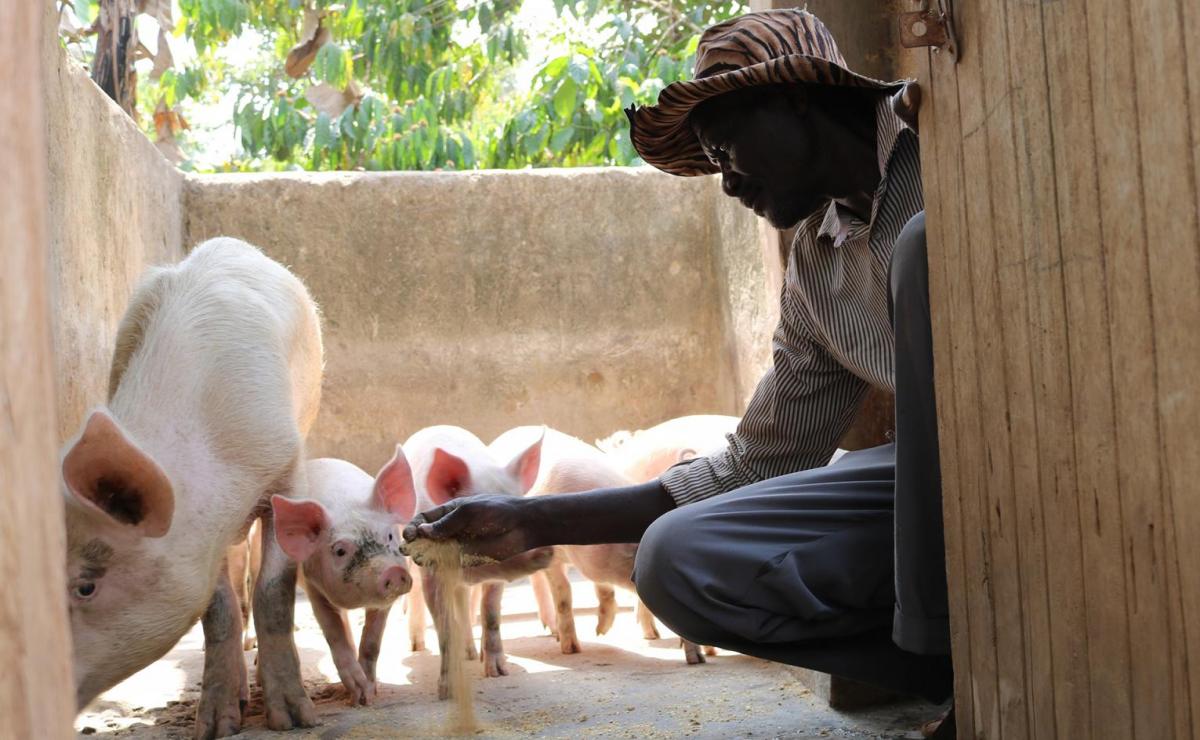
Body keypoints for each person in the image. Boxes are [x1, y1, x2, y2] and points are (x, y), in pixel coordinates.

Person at [405, 9, 954, 734]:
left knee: (918, 251)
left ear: (795, 98)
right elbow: (756, 463)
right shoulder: (815, 271)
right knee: (675, 561)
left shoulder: (944, 145)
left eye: (727, 150)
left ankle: (959, 660)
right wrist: (527, 517)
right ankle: (945, 663)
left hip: (1034, 446)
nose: (727, 185)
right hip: (925, 480)